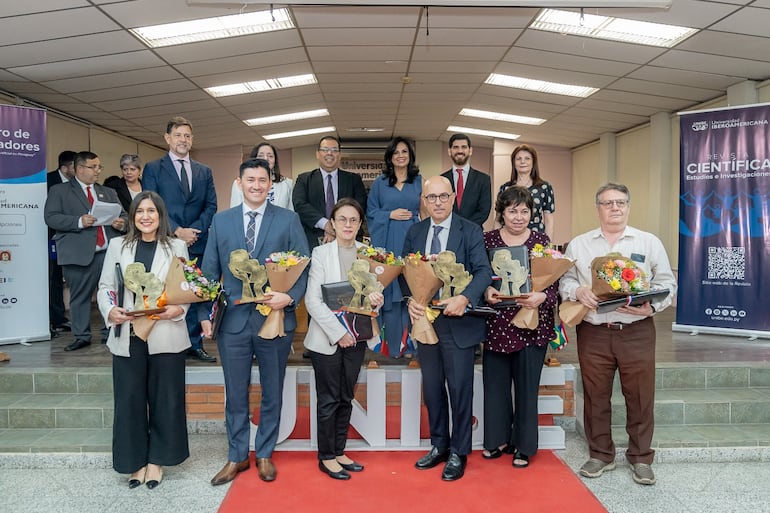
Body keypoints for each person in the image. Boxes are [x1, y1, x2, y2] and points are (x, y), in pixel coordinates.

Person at [559, 182, 676, 486]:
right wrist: (578, 290)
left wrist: (651, 308)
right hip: (595, 332)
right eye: (608, 203)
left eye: (620, 202)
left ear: (628, 206)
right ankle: (600, 454)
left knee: (640, 397)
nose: (615, 208)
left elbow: (667, 284)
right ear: (597, 208)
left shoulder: (648, 242)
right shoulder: (580, 244)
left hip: (637, 331)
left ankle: (640, 457)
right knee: (596, 396)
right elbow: (564, 283)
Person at [200, 158, 309, 485]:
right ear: (239, 183)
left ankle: (263, 454)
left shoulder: (289, 220)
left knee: (272, 391)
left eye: (263, 180)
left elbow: (304, 266)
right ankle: (236, 456)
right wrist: (204, 316)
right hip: (232, 323)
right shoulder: (222, 221)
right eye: (251, 180)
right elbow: (207, 274)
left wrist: (289, 298)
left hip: (274, 321)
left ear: (270, 185)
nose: (257, 185)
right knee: (235, 393)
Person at [97, 191, 190, 490]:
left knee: (166, 399)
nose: (146, 216)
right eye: (140, 211)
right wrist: (111, 310)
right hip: (128, 335)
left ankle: (156, 462)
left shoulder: (176, 246)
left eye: (152, 211)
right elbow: (105, 286)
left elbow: (186, 286)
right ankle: (134, 462)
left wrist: (179, 309)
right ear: (133, 216)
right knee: (129, 400)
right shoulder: (117, 246)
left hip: (166, 334)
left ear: (161, 216)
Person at [402, 176, 492, 481]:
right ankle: (438, 445)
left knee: (459, 390)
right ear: (424, 201)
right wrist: (410, 301)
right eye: (431, 197)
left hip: (459, 323)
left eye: (443, 196)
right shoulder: (414, 232)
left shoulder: (470, 230)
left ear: (452, 197)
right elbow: (406, 274)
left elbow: (483, 271)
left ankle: (459, 451)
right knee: (432, 389)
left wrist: (465, 298)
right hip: (425, 323)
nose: (437, 202)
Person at [304, 198, 384, 480]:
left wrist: (377, 300)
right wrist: (339, 334)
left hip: (358, 337)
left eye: (353, 220)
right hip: (327, 339)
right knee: (328, 399)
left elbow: (374, 297)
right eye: (342, 219)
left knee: (346, 397)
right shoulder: (320, 253)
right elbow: (312, 300)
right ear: (333, 223)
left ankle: (339, 451)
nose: (347, 225)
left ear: (360, 224)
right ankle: (326, 456)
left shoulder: (369, 254)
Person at [481, 186, 558, 468]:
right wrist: (486, 288)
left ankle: (524, 446)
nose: (518, 217)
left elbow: (556, 282)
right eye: (512, 211)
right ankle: (497, 440)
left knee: (527, 388)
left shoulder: (541, 241)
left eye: (524, 211)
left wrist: (543, 296)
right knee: (496, 386)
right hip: (497, 324)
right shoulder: (487, 239)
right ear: (501, 213)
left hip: (532, 324)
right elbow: (478, 274)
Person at [143, 116, 218, 363]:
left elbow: (211, 205)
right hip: (166, 241)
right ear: (167, 138)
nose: (183, 140)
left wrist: (193, 231)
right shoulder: (154, 169)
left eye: (187, 135)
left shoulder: (204, 171)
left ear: (192, 140)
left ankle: (194, 344)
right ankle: (169, 343)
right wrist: (176, 231)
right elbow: (151, 204)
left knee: (195, 293)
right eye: (178, 135)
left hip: (199, 242)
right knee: (169, 293)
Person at [44, 151, 127, 351]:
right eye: (94, 167)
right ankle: (81, 336)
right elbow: (51, 217)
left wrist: (121, 223)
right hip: (78, 253)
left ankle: (110, 332)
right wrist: (78, 221)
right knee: (79, 296)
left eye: (99, 167)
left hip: (108, 253)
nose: (98, 171)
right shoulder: (59, 191)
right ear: (80, 168)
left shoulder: (108, 192)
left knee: (111, 294)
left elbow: (125, 215)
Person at [365, 137, 422, 357]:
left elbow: (426, 212)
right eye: (396, 152)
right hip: (387, 243)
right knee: (388, 293)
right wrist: (390, 214)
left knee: (410, 291)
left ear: (410, 156)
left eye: (405, 151)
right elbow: (370, 213)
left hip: (412, 241)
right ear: (390, 157)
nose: (400, 155)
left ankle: (410, 343)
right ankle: (387, 345)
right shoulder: (380, 183)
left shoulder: (418, 181)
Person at [292, 135, 367, 251]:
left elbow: (360, 206)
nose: (330, 153)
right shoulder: (304, 179)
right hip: (313, 240)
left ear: (339, 155)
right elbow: (299, 204)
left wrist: (337, 227)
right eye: (325, 150)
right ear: (317, 154)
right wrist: (326, 224)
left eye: (334, 150)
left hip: (348, 240)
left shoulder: (354, 180)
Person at [46, 150, 77, 334]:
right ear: (65, 168)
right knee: (51, 278)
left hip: (70, 237)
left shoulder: (77, 184)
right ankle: (51, 318)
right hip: (49, 237)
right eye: (76, 166)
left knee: (59, 277)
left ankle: (59, 318)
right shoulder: (48, 182)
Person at [499, 144, 555, 239]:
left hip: (536, 238)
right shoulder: (505, 188)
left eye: (527, 158)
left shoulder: (544, 187)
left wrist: (548, 245)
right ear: (513, 162)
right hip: (509, 237)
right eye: (518, 159)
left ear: (533, 162)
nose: (523, 162)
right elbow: (498, 218)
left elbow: (549, 220)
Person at [441, 133, 492, 228]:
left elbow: (484, 210)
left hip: (473, 232)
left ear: (470, 151)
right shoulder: (442, 179)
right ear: (449, 151)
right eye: (456, 147)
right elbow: (440, 207)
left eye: (464, 147)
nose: (460, 151)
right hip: (447, 231)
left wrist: (464, 226)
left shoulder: (483, 179)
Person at [230, 142, 294, 210]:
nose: (266, 158)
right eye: (261, 156)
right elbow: (235, 211)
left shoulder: (287, 183)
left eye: (270, 156)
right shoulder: (239, 183)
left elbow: (291, 211)